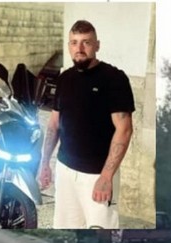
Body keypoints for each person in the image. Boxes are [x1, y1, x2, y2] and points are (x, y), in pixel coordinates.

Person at [38, 20, 134, 229]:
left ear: (97, 45)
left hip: (96, 175)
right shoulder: (64, 79)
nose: (79, 49)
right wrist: (44, 162)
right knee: (67, 231)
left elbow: (124, 129)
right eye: (74, 42)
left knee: (100, 237)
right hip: (65, 171)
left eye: (86, 42)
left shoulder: (114, 79)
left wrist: (106, 176)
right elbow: (54, 124)